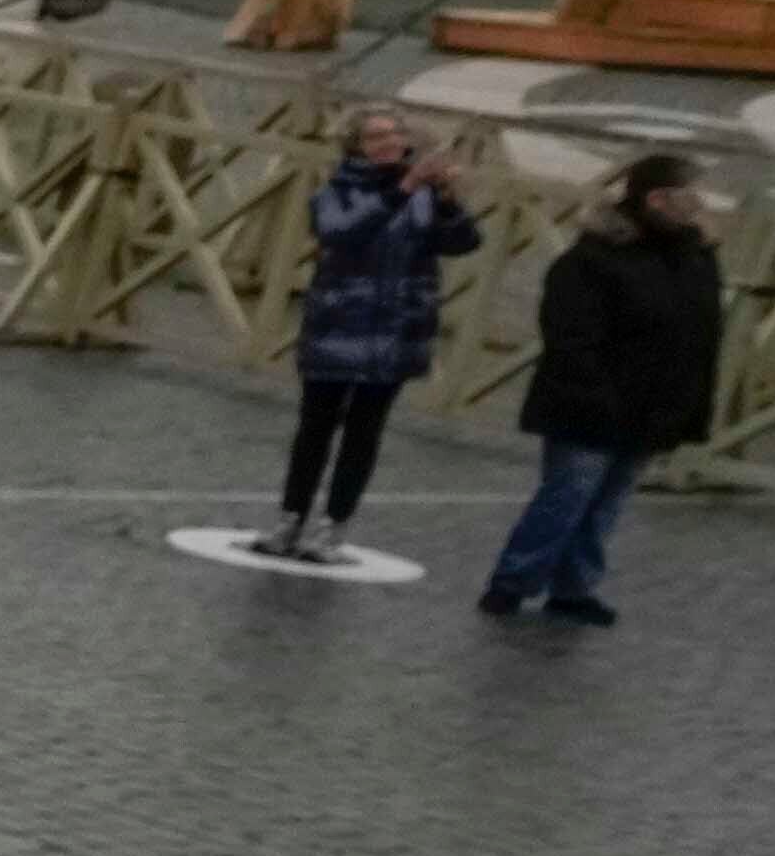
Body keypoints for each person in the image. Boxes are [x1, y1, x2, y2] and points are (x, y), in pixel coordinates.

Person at [483, 143, 727, 628]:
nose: (700, 204)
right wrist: (596, 396)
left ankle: (574, 587)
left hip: (653, 404)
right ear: (658, 199)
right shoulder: (595, 260)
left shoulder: (694, 258)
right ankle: (513, 581)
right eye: (691, 194)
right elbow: (570, 337)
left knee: (607, 501)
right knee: (569, 494)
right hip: (593, 403)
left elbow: (701, 336)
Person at [272, 104, 485, 563]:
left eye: (395, 134)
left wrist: (448, 201)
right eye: (375, 137)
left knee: (365, 432)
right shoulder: (335, 190)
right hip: (339, 323)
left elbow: (465, 243)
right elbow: (340, 233)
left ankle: (333, 528)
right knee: (315, 426)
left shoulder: (427, 195)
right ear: (355, 146)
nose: (389, 142)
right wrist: (403, 190)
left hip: (395, 328)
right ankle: (289, 519)